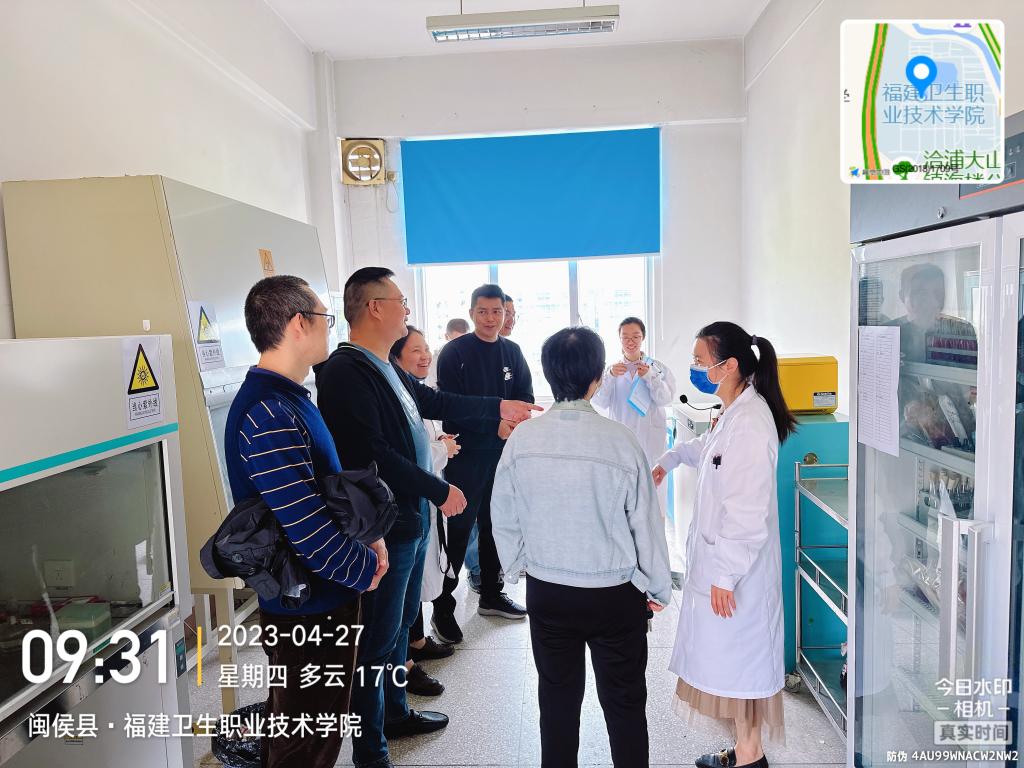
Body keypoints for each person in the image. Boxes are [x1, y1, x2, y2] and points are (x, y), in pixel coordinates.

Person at [315, 268, 540, 768]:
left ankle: (395, 713)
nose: (407, 309)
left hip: (410, 518)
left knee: (398, 626)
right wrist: (438, 489)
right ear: (375, 307)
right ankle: (370, 749)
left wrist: (499, 406)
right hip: (385, 525)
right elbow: (371, 453)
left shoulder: (384, 367)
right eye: (400, 300)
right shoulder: (345, 371)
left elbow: (435, 401)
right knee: (377, 638)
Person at [223, 275, 386, 768]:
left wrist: (369, 543)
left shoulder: (289, 397)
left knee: (308, 733)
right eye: (324, 318)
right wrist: (366, 568)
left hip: (322, 596)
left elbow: (321, 496)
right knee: (305, 743)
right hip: (307, 607)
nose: (328, 329)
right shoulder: (268, 412)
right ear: (299, 324)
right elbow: (307, 529)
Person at [491, 326, 672, 768]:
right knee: (625, 704)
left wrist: (519, 566)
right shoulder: (620, 440)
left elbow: (503, 512)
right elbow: (645, 523)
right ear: (597, 377)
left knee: (556, 701)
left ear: (548, 374)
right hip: (615, 594)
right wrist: (656, 586)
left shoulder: (523, 439)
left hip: (549, 591)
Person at [652, 321, 796, 768]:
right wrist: (671, 458)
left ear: (729, 365)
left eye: (700, 361)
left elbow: (747, 510)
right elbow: (710, 452)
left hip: (740, 573)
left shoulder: (750, 423)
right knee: (734, 669)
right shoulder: (734, 412)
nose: (695, 368)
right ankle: (746, 750)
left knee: (741, 668)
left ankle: (750, 757)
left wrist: (725, 575)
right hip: (728, 567)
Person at [432, 283, 535, 643]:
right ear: (472, 312)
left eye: (497, 312)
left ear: (506, 313)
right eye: (483, 311)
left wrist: (512, 425)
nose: (491, 318)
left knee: (496, 527)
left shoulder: (512, 351)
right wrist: (495, 424)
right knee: (459, 533)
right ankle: (443, 607)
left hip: (502, 457)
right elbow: (450, 408)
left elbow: (525, 396)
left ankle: (491, 594)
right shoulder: (454, 353)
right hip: (466, 458)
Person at [390, 326, 461, 696]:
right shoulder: (394, 393)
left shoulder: (413, 390)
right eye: (416, 350)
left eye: (426, 349)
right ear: (396, 356)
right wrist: (442, 450)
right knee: (403, 589)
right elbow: (407, 458)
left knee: (417, 579)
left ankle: (415, 642)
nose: (425, 356)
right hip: (407, 504)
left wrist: (440, 444)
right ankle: (404, 663)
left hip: (425, 500)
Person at [592, 316, 676, 514]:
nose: (630, 342)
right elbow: (600, 402)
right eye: (625, 337)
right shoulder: (611, 371)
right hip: (621, 441)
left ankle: (654, 529)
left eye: (636, 336)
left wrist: (650, 377)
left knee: (652, 494)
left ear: (643, 337)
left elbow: (665, 399)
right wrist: (610, 377)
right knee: (623, 493)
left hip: (650, 441)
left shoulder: (657, 369)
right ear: (619, 339)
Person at [425, 318, 469, 388]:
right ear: (446, 337)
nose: (461, 346)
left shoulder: (475, 354)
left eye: (464, 341)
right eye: (456, 342)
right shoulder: (436, 360)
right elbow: (431, 387)